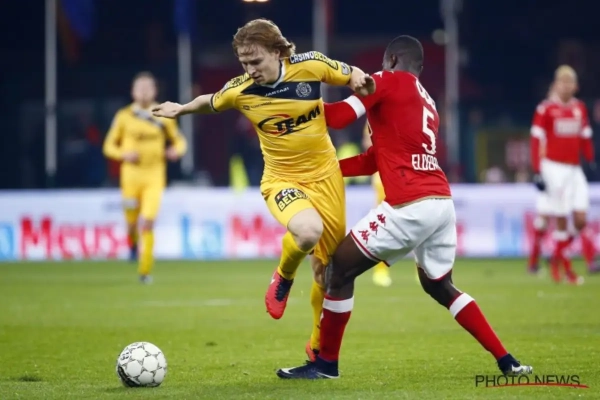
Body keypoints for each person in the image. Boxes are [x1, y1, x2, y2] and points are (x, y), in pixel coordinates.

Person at [276, 35, 533, 379]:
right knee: (440, 286)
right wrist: (328, 170)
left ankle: (325, 365)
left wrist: (291, 103)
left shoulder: (385, 80)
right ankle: (507, 360)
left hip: (410, 203)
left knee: (338, 270)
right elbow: (374, 159)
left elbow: (338, 117)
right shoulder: (426, 100)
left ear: (392, 60)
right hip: (440, 202)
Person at [151, 19, 373, 360]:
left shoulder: (310, 66)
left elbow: (350, 73)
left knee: (327, 274)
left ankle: (316, 346)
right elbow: (211, 100)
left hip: (326, 178)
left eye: (255, 61)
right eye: (244, 63)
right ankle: (283, 275)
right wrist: (181, 109)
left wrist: (358, 79)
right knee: (308, 231)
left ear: (277, 51)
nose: (250, 69)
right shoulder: (241, 91)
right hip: (281, 179)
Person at [103, 72, 187, 284]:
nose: (143, 92)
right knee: (132, 223)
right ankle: (132, 244)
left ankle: (145, 271)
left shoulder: (163, 113)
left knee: (148, 221)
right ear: (133, 92)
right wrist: (123, 154)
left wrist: (176, 151)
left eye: (148, 87)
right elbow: (108, 146)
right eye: (140, 88)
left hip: (154, 176)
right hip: (130, 177)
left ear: (155, 91)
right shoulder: (124, 116)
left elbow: (180, 141)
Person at [530, 65, 598, 283]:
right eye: (563, 82)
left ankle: (556, 256)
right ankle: (567, 271)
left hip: (574, 169)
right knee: (559, 219)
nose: (566, 86)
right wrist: (537, 170)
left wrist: (590, 159)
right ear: (556, 85)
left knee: (580, 219)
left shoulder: (580, 108)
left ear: (576, 86)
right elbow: (535, 141)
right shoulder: (546, 109)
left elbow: (585, 138)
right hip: (553, 168)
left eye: (570, 82)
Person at [361, 123, 392, 287]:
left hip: (400, 170)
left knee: (416, 220)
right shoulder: (372, 120)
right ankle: (380, 271)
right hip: (382, 173)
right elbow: (367, 143)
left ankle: (423, 270)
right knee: (383, 224)